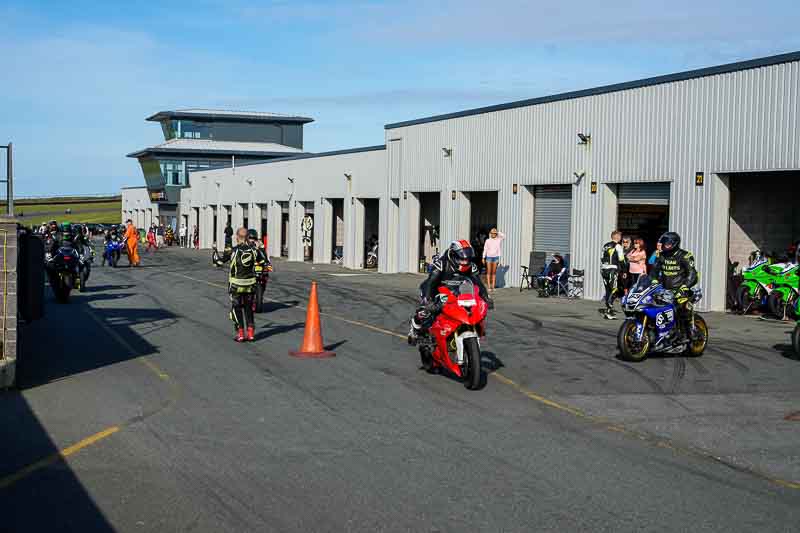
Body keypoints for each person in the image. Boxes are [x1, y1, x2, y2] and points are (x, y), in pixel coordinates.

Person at [408, 240, 492, 345]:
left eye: (467, 259)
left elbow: (478, 283)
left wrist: (486, 297)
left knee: (470, 307)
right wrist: (428, 300)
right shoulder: (442, 264)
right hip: (435, 288)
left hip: (455, 290)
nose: (465, 262)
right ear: (453, 255)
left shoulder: (471, 266)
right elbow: (431, 282)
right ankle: (415, 327)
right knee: (425, 311)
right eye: (462, 259)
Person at [650, 232, 699, 341]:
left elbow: (692, 274)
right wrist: (653, 281)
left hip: (681, 289)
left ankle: (689, 331)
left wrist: (685, 287)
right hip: (664, 290)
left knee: (681, 308)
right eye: (664, 243)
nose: (665, 245)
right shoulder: (660, 255)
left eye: (668, 243)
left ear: (674, 243)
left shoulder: (685, 255)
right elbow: (654, 270)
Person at [228, 227, 258, 342]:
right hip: (250, 285)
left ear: (236, 237)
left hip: (236, 285)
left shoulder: (233, 250)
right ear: (247, 237)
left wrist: (214, 251)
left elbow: (218, 262)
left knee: (237, 307)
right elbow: (265, 264)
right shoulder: (254, 250)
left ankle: (241, 334)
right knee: (248, 307)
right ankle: (250, 334)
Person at [601, 230, 627, 320]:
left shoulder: (605, 246)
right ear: (617, 237)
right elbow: (621, 259)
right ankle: (608, 311)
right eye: (620, 237)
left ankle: (608, 310)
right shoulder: (618, 246)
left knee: (608, 290)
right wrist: (624, 271)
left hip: (604, 269)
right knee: (614, 290)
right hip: (612, 270)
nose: (620, 238)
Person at [482, 228, 505, 292]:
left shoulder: (498, 240)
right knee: (489, 272)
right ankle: (489, 287)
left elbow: (503, 236)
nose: (493, 234)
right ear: (490, 233)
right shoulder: (487, 240)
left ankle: (493, 286)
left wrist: (497, 231)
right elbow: (485, 249)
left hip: (496, 257)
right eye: (492, 233)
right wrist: (483, 257)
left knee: (494, 272)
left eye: (494, 233)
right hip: (489, 257)